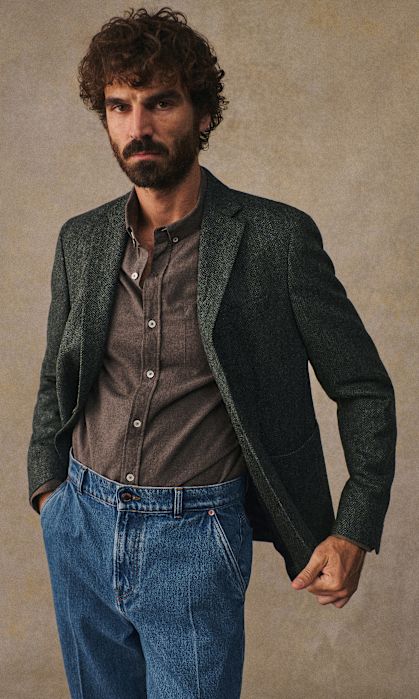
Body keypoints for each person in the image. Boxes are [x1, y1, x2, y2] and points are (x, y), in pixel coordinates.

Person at [27, 7, 397, 698]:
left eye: (161, 102)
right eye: (120, 106)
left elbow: (363, 387)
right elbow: (58, 376)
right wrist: (50, 493)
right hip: (79, 524)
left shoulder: (275, 240)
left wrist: (354, 528)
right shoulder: (80, 239)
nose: (138, 126)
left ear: (202, 114)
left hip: (194, 539)